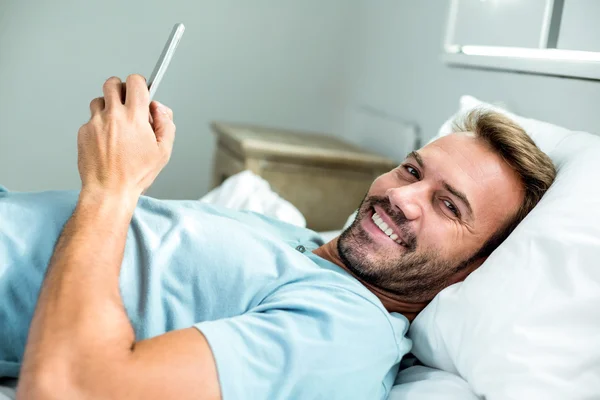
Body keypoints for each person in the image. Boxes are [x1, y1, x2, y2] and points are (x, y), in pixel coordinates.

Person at [0, 75, 555, 400]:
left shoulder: (349, 331)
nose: (402, 198)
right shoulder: (304, 243)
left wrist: (110, 186)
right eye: (412, 171)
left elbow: (71, 386)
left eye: (448, 205)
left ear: (472, 268)